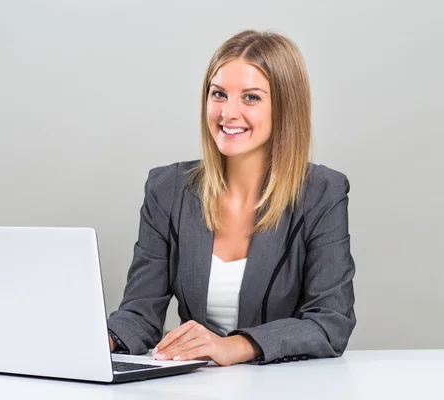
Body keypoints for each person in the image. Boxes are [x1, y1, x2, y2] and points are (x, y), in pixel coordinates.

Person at [106, 29, 356, 366]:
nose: (228, 113)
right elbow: (139, 313)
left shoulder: (322, 193)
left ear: (285, 107)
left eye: (251, 97)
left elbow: (330, 322)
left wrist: (234, 347)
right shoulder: (167, 189)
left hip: (284, 386)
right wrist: (97, 339)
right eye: (219, 94)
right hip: (197, 384)